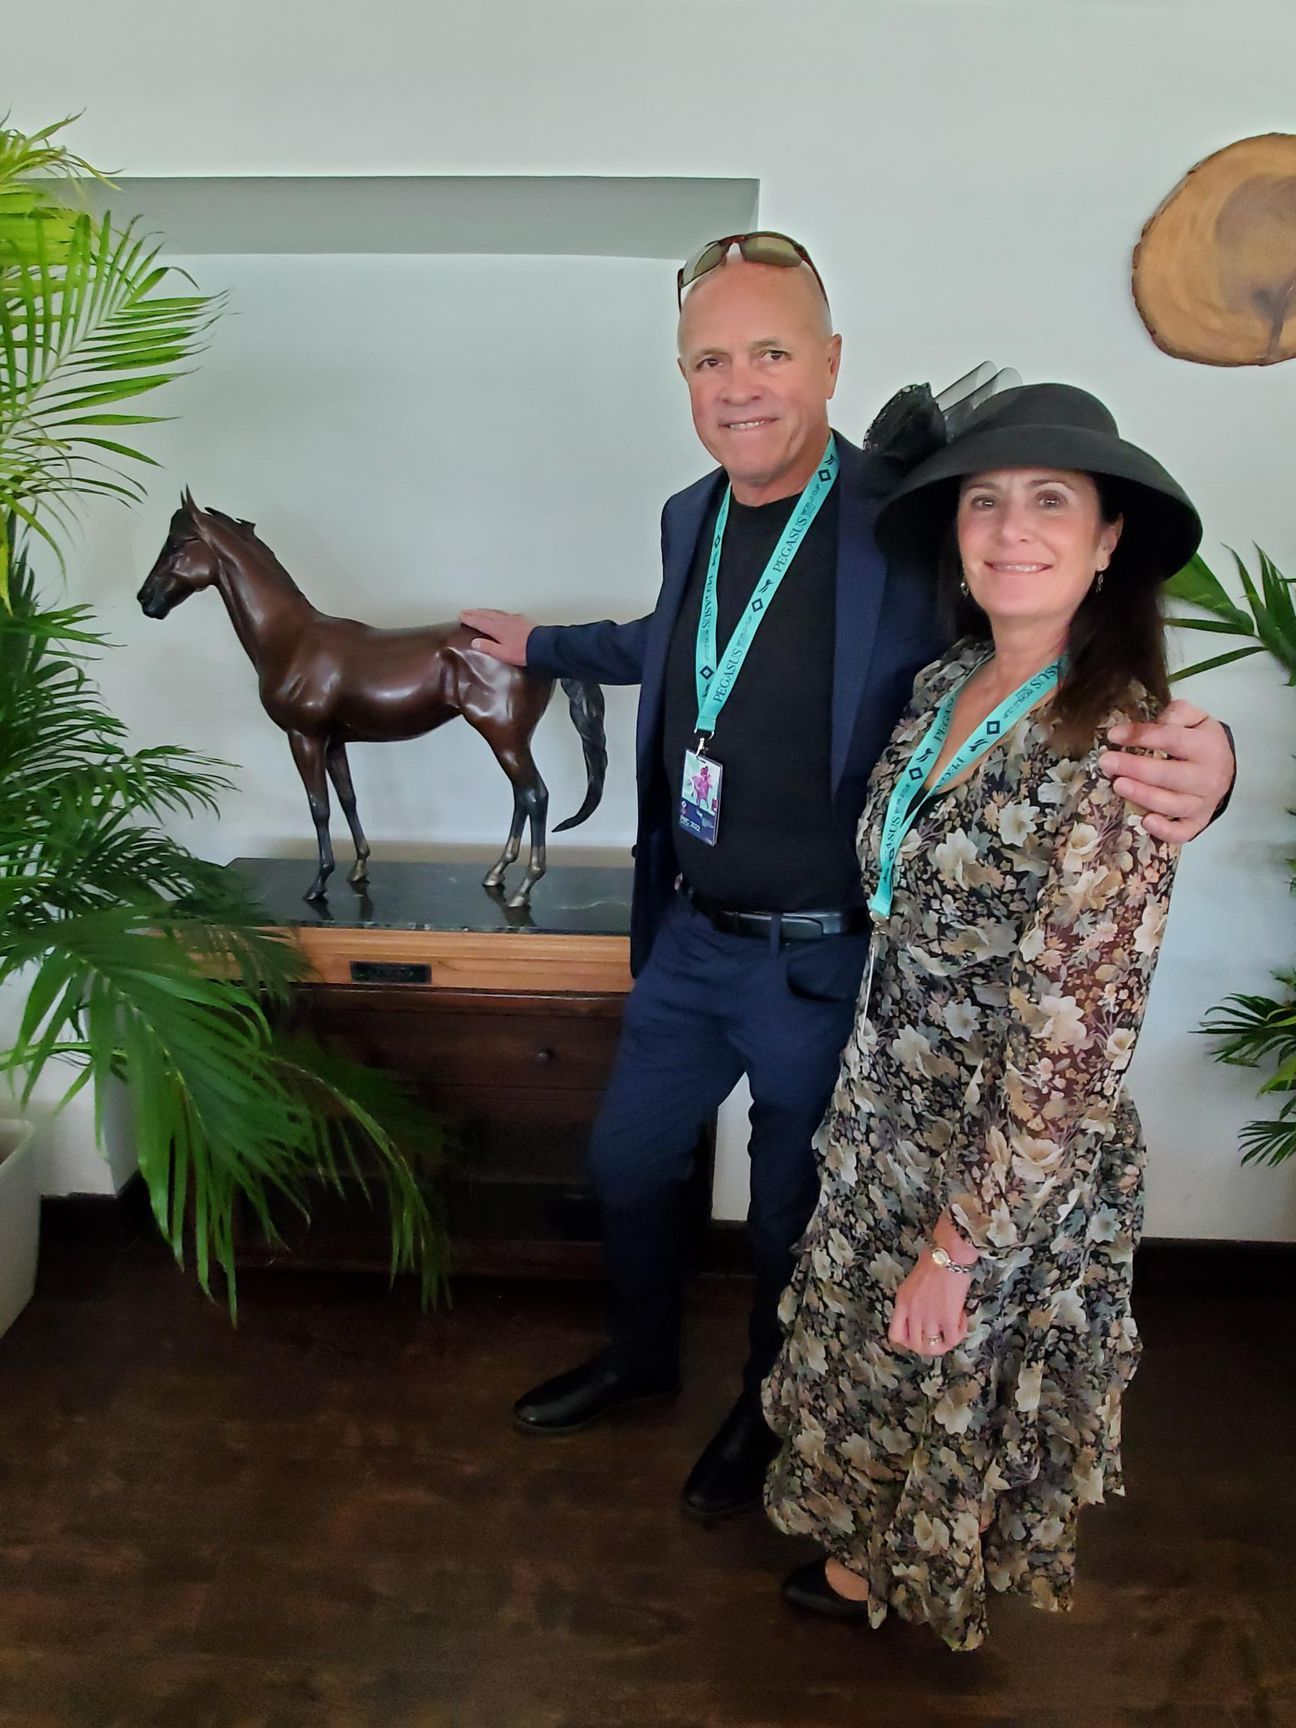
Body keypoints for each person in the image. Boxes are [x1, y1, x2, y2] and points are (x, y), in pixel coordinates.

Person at [460, 235, 1235, 1523]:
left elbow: (1052, 642)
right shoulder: (689, 512)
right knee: (627, 1160)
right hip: (694, 934)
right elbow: (673, 640)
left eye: (769, 351)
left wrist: (1207, 756)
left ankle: (770, 1419)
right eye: (709, 359)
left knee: (787, 1224)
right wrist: (546, 643)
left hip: (830, 964)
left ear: (828, 363)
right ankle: (644, 1361)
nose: (739, 384)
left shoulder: (915, 513)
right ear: (685, 378)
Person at [764, 382, 1201, 1650]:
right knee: (873, 1364)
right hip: (888, 1115)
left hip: (1001, 1154)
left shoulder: (1123, 749)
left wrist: (963, 1241)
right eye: (985, 503)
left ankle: (910, 1587)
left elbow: (1075, 1050)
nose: (1012, 530)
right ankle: (862, 1561)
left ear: (1109, 538)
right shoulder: (948, 682)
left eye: (1050, 502)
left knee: (947, 1371)